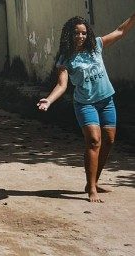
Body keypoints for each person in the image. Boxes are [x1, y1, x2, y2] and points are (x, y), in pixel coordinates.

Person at [38, 12, 135, 203]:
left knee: (109, 140)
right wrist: (49, 100)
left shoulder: (96, 46)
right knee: (93, 141)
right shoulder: (66, 58)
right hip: (85, 104)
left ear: (88, 34)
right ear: (69, 35)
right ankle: (91, 188)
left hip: (107, 101)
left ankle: (94, 181)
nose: (80, 37)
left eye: (83, 33)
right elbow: (62, 84)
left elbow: (121, 31)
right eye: (76, 33)